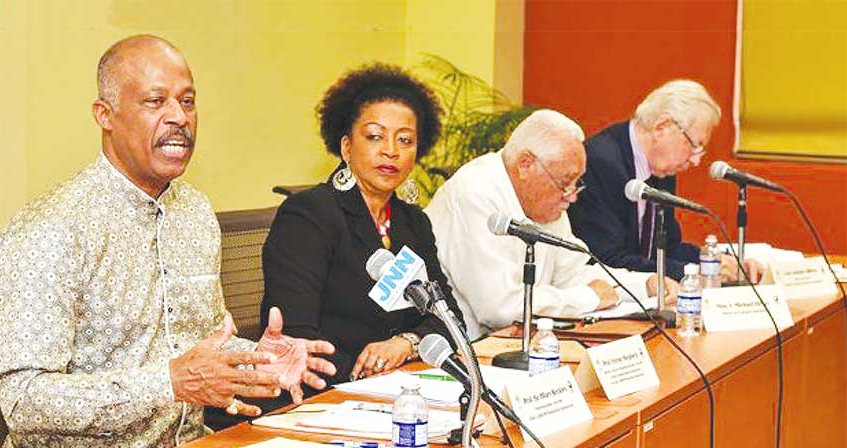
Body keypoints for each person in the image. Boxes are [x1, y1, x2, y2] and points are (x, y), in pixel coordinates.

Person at [0, 35, 336, 448]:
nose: (179, 117)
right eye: (155, 101)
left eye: (188, 101)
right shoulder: (51, 230)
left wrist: (258, 359)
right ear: (106, 116)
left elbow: (199, 346)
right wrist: (168, 383)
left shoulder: (193, 211)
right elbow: (21, 399)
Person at [261, 63, 463, 384]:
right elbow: (295, 338)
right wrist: (366, 374)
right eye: (374, 136)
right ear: (346, 147)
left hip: (404, 383)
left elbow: (449, 319)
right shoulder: (308, 216)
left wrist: (405, 344)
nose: (391, 151)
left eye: (405, 140)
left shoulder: (414, 222)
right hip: (330, 389)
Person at [425, 109, 677, 339]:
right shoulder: (475, 193)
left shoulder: (546, 202)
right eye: (565, 182)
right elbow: (500, 307)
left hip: (519, 343)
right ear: (525, 164)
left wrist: (643, 286)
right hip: (461, 353)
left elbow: (574, 272)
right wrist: (587, 298)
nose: (573, 195)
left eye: (577, 183)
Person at [568, 80, 762, 282]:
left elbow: (667, 248)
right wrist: (695, 271)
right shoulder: (599, 163)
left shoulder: (661, 168)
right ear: (662, 127)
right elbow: (607, 260)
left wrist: (714, 261)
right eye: (694, 146)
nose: (695, 161)